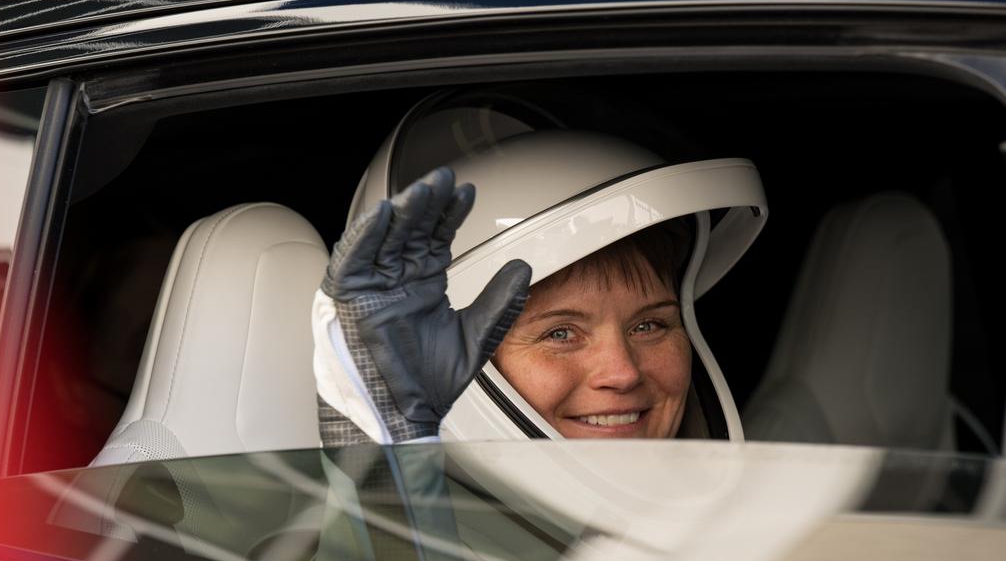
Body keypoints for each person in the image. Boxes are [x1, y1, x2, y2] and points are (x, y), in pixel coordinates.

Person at [311, 95, 769, 447]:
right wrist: (384, 475)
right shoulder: (434, 549)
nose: (622, 372)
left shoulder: (752, 526)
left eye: (649, 325)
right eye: (560, 333)